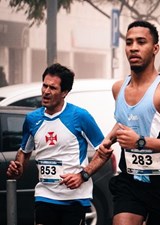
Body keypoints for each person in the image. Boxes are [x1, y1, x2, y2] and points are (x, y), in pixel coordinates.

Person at [98, 20, 160, 225]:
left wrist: (140, 142)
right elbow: (125, 121)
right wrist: (109, 139)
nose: (134, 47)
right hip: (130, 181)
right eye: (129, 42)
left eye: (141, 42)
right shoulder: (118, 88)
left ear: (155, 49)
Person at [6, 63, 111, 225]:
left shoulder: (80, 116)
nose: (46, 92)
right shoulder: (32, 119)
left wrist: (83, 176)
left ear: (64, 93)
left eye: (53, 88)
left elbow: (105, 152)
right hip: (44, 195)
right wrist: (17, 168)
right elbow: (24, 152)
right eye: (44, 86)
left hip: (74, 197)